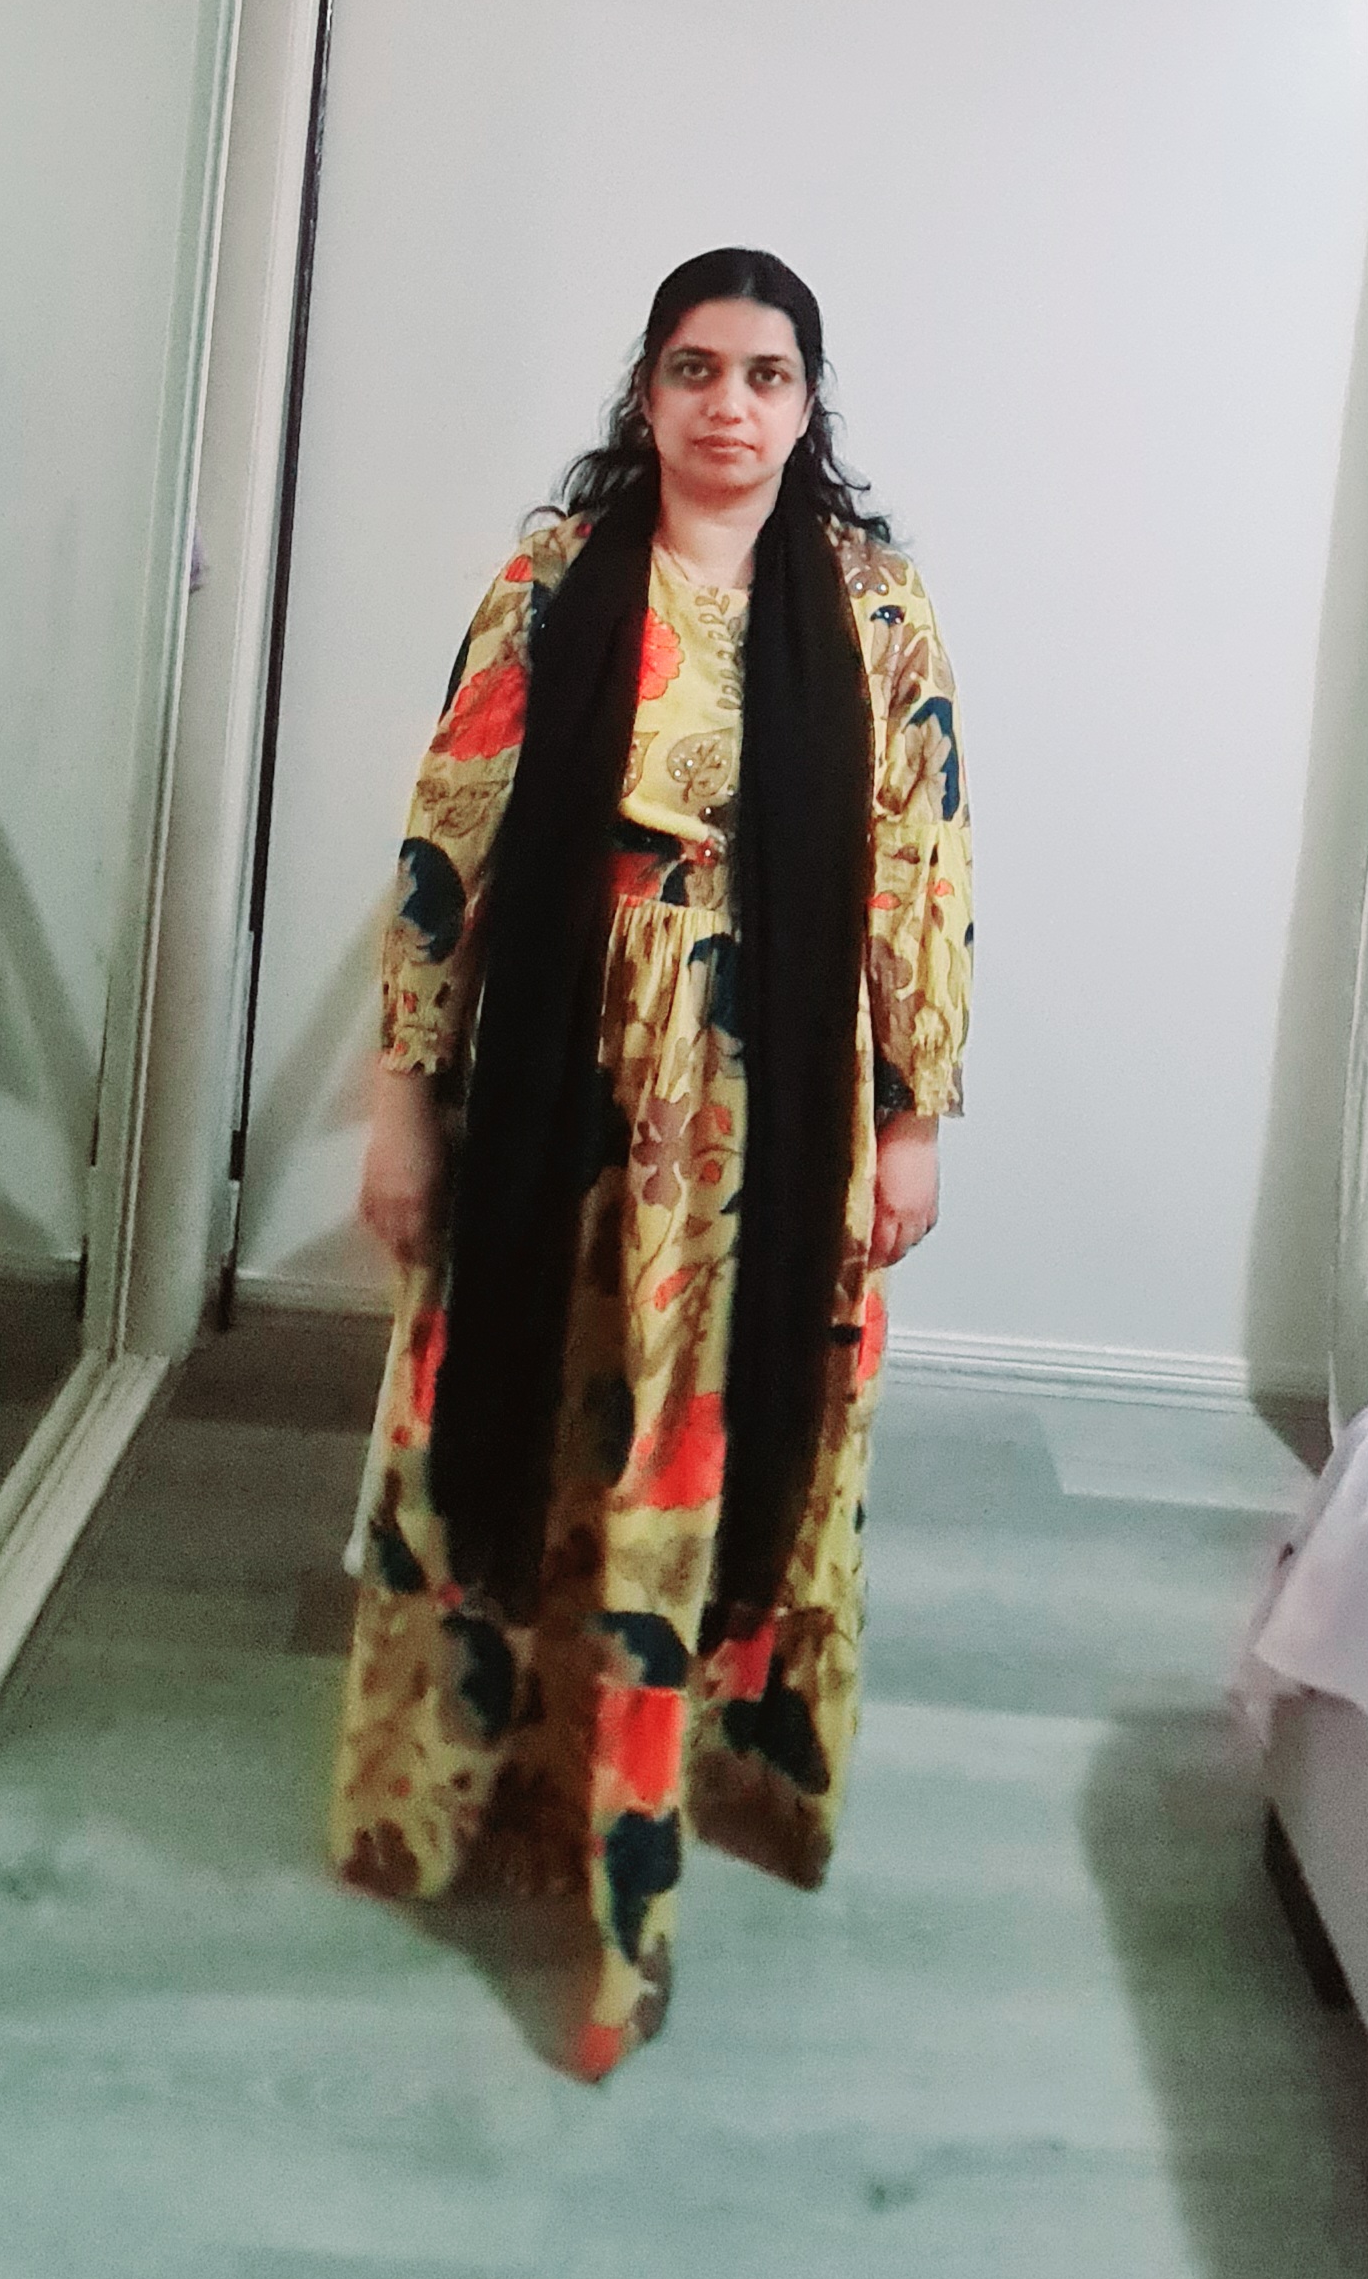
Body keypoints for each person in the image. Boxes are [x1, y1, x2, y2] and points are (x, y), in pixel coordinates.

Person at [330, 246, 972, 2078]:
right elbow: (449, 838)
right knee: (523, 1410)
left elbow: (919, 867)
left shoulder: (872, 605)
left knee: (701, 1447)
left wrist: (909, 1121)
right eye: (694, 369)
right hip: (559, 1071)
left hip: (775, 1099)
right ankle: (482, 1788)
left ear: (806, 404)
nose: (727, 406)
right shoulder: (553, 579)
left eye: (764, 375)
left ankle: (642, 1859)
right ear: (646, 391)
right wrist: (402, 1100)